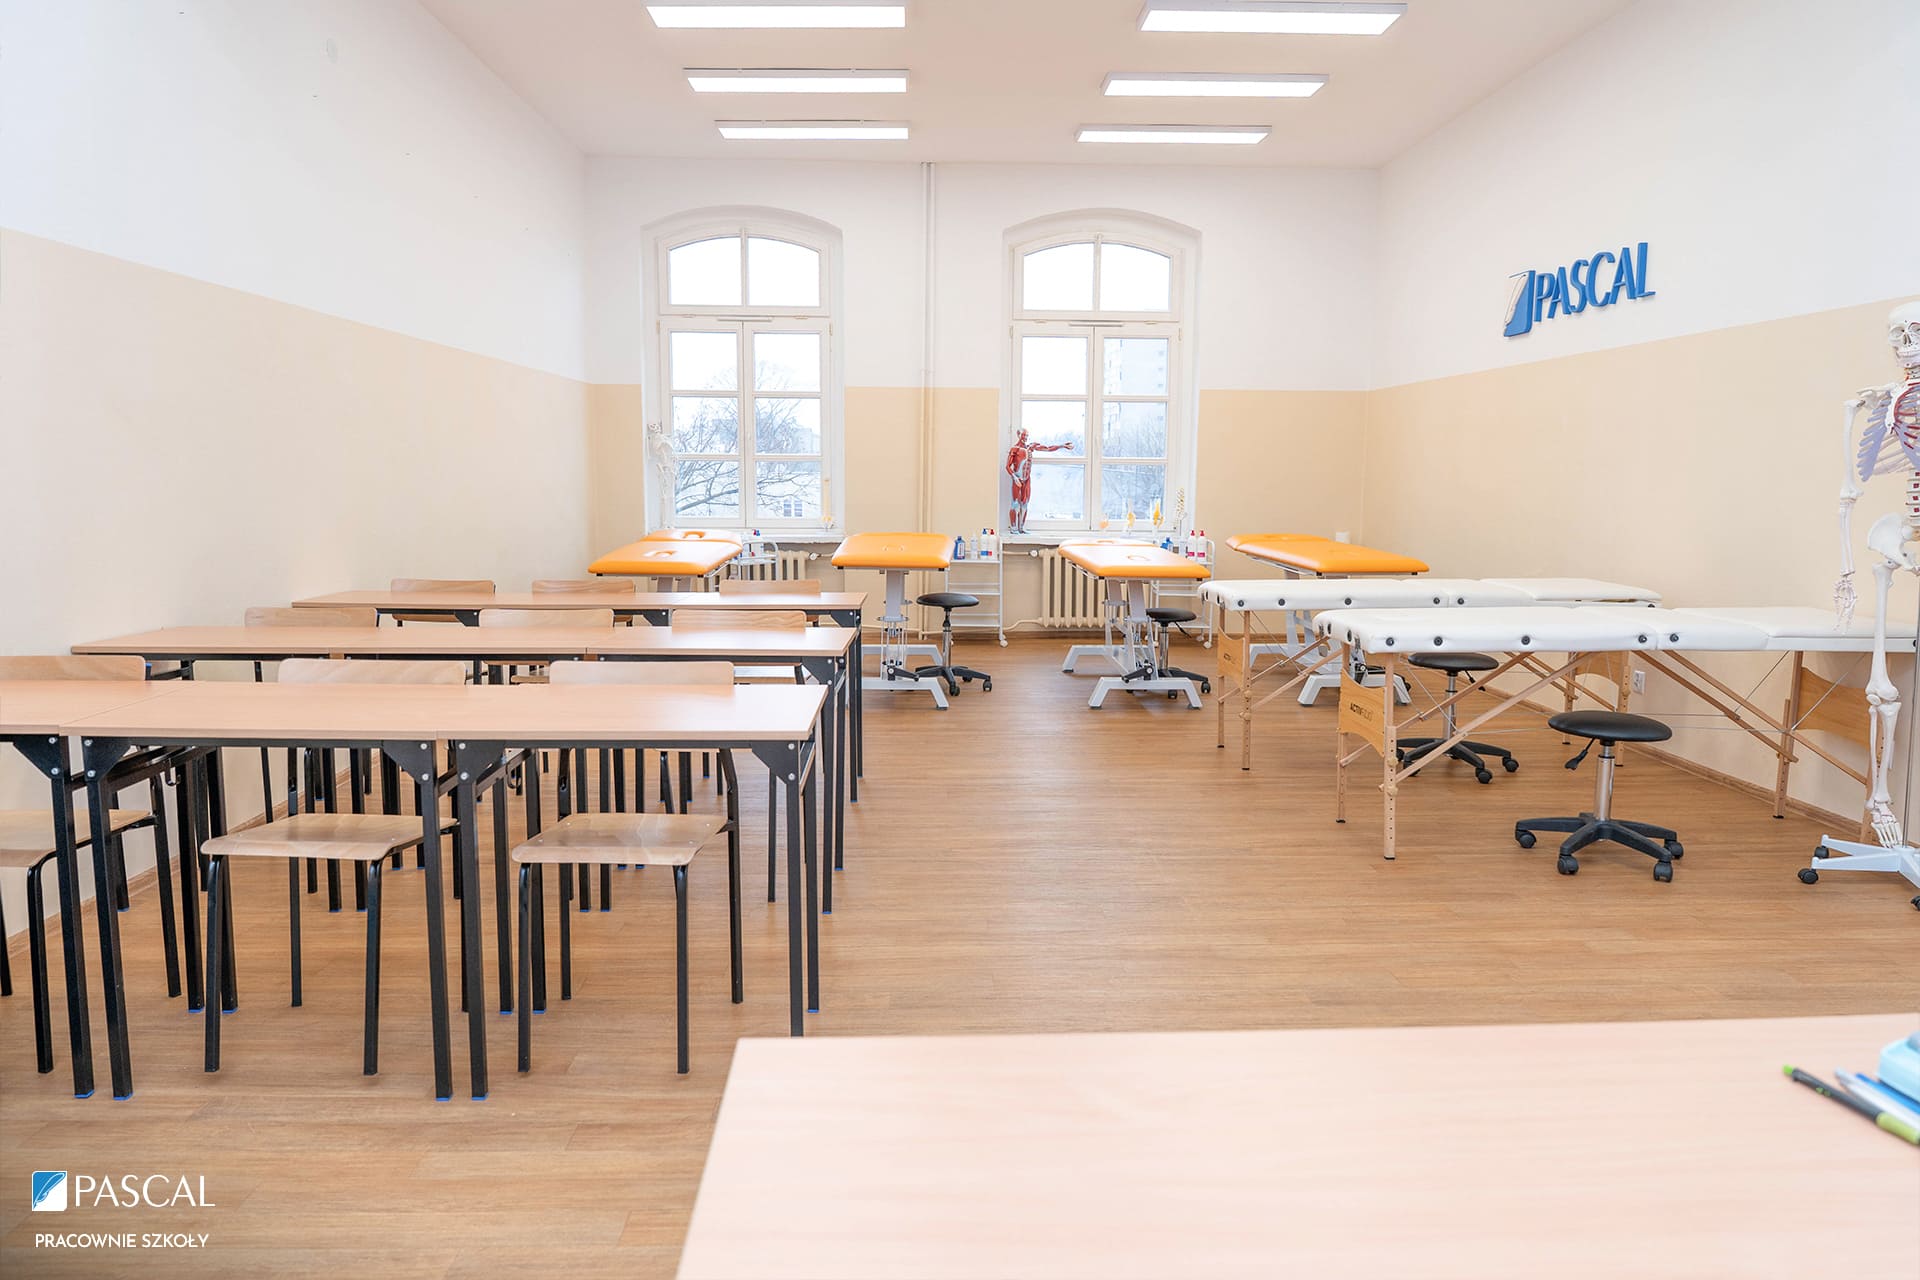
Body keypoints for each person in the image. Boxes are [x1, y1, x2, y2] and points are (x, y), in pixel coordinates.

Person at [1005, 427, 1074, 533]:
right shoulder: (1015, 449)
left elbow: (1048, 448)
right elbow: (1008, 466)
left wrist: (1062, 446)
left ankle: (1021, 527)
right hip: (1018, 479)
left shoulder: (1031, 447)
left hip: (1027, 479)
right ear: (1019, 435)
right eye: (1024, 435)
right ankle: (1014, 528)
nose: (1025, 437)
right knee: (1015, 504)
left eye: (1027, 435)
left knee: (1025, 504)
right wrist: (1014, 477)